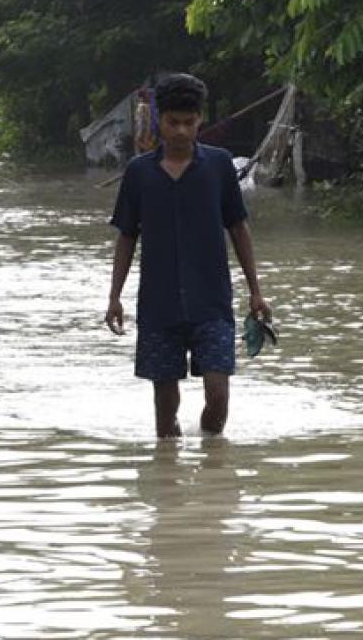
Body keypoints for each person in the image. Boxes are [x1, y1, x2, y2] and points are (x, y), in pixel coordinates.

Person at [105, 73, 272, 439]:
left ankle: (213, 468)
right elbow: (126, 237)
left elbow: (239, 228)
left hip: (211, 303)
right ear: (159, 121)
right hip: (158, 306)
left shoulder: (218, 167)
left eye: (188, 122)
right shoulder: (138, 173)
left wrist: (256, 291)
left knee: (218, 396)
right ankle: (170, 480)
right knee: (165, 413)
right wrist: (114, 296)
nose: (181, 131)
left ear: (200, 121)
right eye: (172, 122)